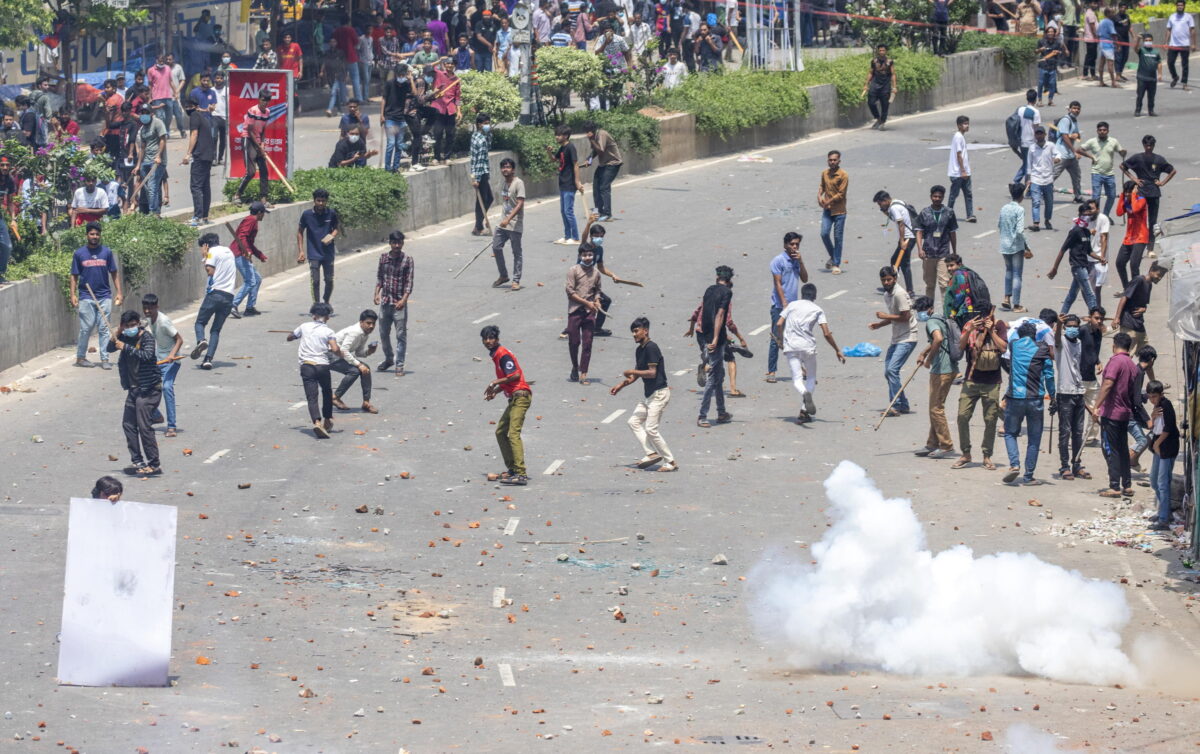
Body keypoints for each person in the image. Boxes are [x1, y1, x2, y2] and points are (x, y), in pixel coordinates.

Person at [611, 317, 678, 471]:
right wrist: (621, 385)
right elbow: (637, 374)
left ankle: (671, 462)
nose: (634, 334)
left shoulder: (651, 348)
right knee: (633, 421)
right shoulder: (640, 350)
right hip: (649, 396)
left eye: (636, 331)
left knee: (651, 429)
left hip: (659, 394)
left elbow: (652, 373)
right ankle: (651, 453)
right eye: (633, 332)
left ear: (645, 331)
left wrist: (631, 371)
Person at [775, 283, 845, 423]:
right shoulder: (817, 309)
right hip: (808, 347)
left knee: (797, 378)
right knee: (811, 378)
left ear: (802, 294)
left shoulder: (792, 305)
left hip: (791, 347)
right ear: (815, 296)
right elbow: (826, 333)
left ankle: (804, 397)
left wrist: (781, 340)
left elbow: (778, 324)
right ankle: (804, 408)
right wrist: (837, 349)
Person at [107, 310, 162, 476]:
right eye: (127, 326)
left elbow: (147, 355)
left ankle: (154, 464)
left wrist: (126, 347)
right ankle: (137, 460)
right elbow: (110, 348)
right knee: (128, 425)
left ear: (138, 323)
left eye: (133, 325)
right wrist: (117, 332)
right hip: (133, 389)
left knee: (144, 426)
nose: (131, 328)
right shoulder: (125, 336)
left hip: (148, 389)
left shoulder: (146, 338)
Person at [1001, 320, 1056, 485]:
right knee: (1034, 438)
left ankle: (1014, 464)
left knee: (1010, 433)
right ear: (1034, 335)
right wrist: (1053, 396)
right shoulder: (1042, 348)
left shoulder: (1014, 345)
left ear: (1020, 335)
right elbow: (1049, 375)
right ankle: (1028, 476)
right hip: (1035, 399)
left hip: (1014, 398)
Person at [953, 306, 1007, 470]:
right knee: (962, 416)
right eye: (980, 317)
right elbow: (960, 348)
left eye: (986, 316)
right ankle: (966, 453)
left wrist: (991, 332)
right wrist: (969, 331)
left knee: (990, 420)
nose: (983, 320)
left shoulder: (999, 325)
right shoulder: (970, 325)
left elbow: (1003, 348)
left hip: (992, 382)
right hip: (971, 380)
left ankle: (987, 455)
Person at [482, 325, 532, 486]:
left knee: (513, 433)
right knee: (500, 432)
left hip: (521, 396)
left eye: (491, 338)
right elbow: (508, 380)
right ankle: (512, 469)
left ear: (497, 339)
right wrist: (495, 391)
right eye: (485, 338)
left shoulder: (502, 354)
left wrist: (495, 382)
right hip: (514, 398)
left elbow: (515, 375)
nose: (488, 341)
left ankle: (521, 473)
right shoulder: (497, 355)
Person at [69, 222, 124, 369]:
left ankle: (105, 359)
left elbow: (114, 273)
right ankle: (80, 358)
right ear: (87, 235)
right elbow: (74, 275)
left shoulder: (106, 252)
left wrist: (119, 292)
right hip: (86, 296)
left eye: (97, 234)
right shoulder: (79, 253)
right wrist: (72, 294)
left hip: (104, 295)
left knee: (104, 328)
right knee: (86, 328)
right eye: (92, 234)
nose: (95, 236)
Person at [1090, 331, 1138, 497]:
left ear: (1114, 345)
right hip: (1125, 412)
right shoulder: (1131, 364)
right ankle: (1127, 485)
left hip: (1112, 412)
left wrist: (1097, 406)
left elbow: (1108, 384)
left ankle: (1114, 486)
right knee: (1123, 448)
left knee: (1111, 449)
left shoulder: (1115, 361)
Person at [288, 302, 342, 439]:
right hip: (322, 366)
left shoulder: (304, 326)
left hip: (307, 366)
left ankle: (317, 422)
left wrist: (292, 335)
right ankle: (328, 419)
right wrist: (339, 353)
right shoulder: (329, 332)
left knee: (312, 396)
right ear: (327, 317)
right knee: (327, 392)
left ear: (313, 315)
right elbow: (335, 349)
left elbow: (290, 337)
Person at [869, 266, 918, 416]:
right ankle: (903, 404)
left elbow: (905, 316)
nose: (886, 282)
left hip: (908, 337)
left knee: (892, 370)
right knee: (888, 372)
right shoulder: (887, 295)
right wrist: (880, 324)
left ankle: (895, 405)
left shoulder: (900, 294)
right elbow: (895, 317)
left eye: (889, 279)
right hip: (897, 338)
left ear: (895, 278)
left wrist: (885, 317)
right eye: (883, 280)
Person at [914, 294, 958, 458]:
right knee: (935, 407)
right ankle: (932, 443)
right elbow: (936, 340)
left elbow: (938, 339)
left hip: (942, 369)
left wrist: (929, 359)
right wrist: (923, 353)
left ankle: (946, 445)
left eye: (921, 311)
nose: (920, 314)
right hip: (949, 368)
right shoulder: (940, 319)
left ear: (929, 309)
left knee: (936, 408)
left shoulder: (932, 321)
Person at [764, 232, 810, 384]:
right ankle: (771, 371)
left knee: (796, 337)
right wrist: (784, 302)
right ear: (785, 244)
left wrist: (801, 261)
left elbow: (805, 279)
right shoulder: (778, 261)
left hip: (794, 306)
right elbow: (777, 283)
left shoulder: (796, 260)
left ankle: (800, 368)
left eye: (797, 244)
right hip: (779, 306)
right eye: (792, 244)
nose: (794, 247)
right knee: (776, 338)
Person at [1119, 134, 1176, 256]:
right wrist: (1134, 179)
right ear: (1143, 145)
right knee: (1139, 219)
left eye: (1151, 145)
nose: (1149, 147)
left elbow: (1172, 170)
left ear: (1154, 145)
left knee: (1153, 221)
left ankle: (1150, 248)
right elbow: (1122, 166)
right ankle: (1138, 243)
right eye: (1146, 145)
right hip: (1141, 193)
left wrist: (1162, 182)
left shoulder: (1159, 159)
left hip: (1154, 193)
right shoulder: (1137, 158)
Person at [1053, 313, 1092, 479]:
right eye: (1070, 326)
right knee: (1065, 431)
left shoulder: (1079, 343)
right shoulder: (1061, 342)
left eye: (1076, 326)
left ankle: (1076, 463)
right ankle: (1064, 466)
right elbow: (1055, 339)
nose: (1073, 329)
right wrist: (1059, 325)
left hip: (1078, 391)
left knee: (1078, 431)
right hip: (1065, 393)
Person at [190, 233, 236, 370]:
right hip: (229, 297)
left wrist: (204, 257)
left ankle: (201, 340)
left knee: (200, 322)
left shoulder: (211, 253)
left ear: (206, 245)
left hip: (215, 294)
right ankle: (208, 360)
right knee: (215, 330)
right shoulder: (228, 251)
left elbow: (210, 271)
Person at [372, 230, 415, 376]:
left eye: (399, 243)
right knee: (383, 334)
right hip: (385, 303)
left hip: (399, 305)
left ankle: (400, 364)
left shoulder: (407, 260)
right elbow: (380, 278)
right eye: (394, 243)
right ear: (390, 243)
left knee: (400, 336)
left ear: (402, 243)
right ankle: (389, 358)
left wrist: (403, 300)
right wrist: (376, 293)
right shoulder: (384, 258)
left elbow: (409, 283)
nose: (397, 245)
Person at [698, 265, 735, 428]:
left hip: (704, 334)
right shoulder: (727, 292)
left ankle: (721, 412)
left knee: (719, 375)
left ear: (717, 277)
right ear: (729, 280)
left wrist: (706, 338)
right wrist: (715, 338)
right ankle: (702, 415)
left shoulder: (709, 290)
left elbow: (704, 312)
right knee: (713, 377)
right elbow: (720, 315)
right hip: (716, 338)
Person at [141, 293, 183, 437]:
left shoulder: (164, 321)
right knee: (146, 387)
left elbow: (179, 340)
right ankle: (156, 415)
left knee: (166, 387)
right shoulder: (148, 319)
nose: (147, 311)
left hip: (172, 361)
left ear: (157, 307)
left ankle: (171, 427)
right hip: (159, 360)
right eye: (145, 308)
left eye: (150, 308)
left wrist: (172, 355)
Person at [1048, 204, 1101, 314]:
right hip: (1077, 267)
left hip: (1084, 266)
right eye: (1084, 214)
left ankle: (1061, 318)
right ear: (1080, 215)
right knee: (1090, 294)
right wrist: (1055, 268)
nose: (1087, 217)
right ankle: (1096, 319)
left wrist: (1100, 258)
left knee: (1071, 296)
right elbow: (1063, 250)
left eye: (1089, 215)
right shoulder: (1075, 231)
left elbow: (1089, 251)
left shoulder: (1086, 232)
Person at [1112, 262, 1167, 365]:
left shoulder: (1149, 285)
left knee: (1147, 356)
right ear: (1151, 271)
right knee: (1127, 355)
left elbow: (1143, 305)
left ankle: (1153, 381)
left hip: (1139, 325)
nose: (1159, 278)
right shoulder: (1139, 280)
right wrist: (1117, 318)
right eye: (1158, 275)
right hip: (1129, 323)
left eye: (1162, 277)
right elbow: (1124, 297)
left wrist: (1144, 309)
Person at [565, 242, 602, 384]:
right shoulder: (573, 271)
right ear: (580, 255)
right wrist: (587, 302)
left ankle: (584, 374)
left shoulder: (596, 273)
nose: (587, 257)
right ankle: (575, 366)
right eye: (585, 255)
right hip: (575, 311)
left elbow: (597, 290)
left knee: (588, 343)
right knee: (574, 342)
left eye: (590, 255)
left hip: (589, 313)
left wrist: (597, 300)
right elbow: (570, 292)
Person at [914, 184, 959, 301]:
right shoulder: (924, 212)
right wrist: (920, 249)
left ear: (943, 197)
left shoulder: (949, 212)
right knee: (929, 284)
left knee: (944, 283)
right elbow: (919, 232)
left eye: (940, 197)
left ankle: (946, 311)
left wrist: (954, 252)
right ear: (931, 197)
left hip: (943, 253)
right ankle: (929, 309)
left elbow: (953, 233)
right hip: (928, 253)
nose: (937, 199)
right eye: (935, 196)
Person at [330, 309, 380, 414]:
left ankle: (366, 402)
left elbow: (359, 353)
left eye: (373, 324)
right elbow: (344, 350)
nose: (371, 326)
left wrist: (369, 351)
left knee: (366, 368)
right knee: (355, 371)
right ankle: (335, 397)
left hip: (340, 355)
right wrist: (358, 364)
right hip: (330, 355)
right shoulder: (355, 332)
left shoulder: (365, 333)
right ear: (361, 322)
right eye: (368, 323)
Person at [297, 188, 340, 305]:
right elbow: (300, 231)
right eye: (318, 200)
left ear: (326, 201)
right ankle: (316, 304)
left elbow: (336, 228)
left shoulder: (331, 213)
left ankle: (326, 302)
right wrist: (301, 251)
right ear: (314, 200)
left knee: (329, 280)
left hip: (328, 254)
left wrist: (331, 236)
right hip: (313, 253)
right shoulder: (306, 215)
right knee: (315, 281)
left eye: (323, 201)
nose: (321, 203)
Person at [1146, 380, 1179, 530]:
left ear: (1161, 395)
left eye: (1155, 396)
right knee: (1154, 480)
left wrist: (1157, 444)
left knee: (1163, 482)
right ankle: (1164, 511)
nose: (1153, 399)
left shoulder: (1166, 406)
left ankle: (1164, 519)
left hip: (1166, 446)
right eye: (1150, 397)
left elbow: (1169, 428)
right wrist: (1152, 416)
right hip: (1159, 446)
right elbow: (1152, 426)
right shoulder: (1157, 407)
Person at [1075, 121, 1124, 217]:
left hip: (1110, 173)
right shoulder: (1092, 141)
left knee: (1112, 196)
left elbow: (1121, 153)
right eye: (1100, 130)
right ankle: (1095, 216)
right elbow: (1079, 149)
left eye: (1104, 130)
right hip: (1096, 173)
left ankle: (1105, 215)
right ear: (1097, 131)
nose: (1102, 132)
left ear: (1108, 131)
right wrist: (1090, 156)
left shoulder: (1113, 141)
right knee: (1096, 197)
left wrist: (1123, 152)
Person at [230, 201, 269, 318]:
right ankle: (233, 304)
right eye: (263, 213)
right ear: (259, 212)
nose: (264, 216)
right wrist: (246, 251)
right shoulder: (251, 220)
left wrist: (259, 255)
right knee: (250, 281)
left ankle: (250, 307)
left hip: (242, 252)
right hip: (239, 253)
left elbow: (249, 242)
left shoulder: (252, 220)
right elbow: (242, 236)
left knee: (256, 279)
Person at [181, 96, 216, 226]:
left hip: (200, 156)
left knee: (195, 186)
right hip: (208, 156)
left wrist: (188, 154)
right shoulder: (204, 118)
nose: (187, 109)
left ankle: (197, 216)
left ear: (196, 107)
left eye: (190, 106)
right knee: (205, 186)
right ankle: (205, 216)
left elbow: (194, 134)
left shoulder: (195, 116)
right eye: (186, 107)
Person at [874, 191, 916, 297]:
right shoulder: (897, 202)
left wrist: (902, 241)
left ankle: (909, 290)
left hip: (907, 238)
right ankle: (893, 283)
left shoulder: (894, 208)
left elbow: (901, 224)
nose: (880, 206)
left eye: (880, 204)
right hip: (909, 236)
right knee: (895, 261)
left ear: (886, 200)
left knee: (904, 263)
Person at [492, 158, 525, 291]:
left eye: (508, 167)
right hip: (502, 224)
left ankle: (516, 280)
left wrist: (508, 219)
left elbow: (520, 203)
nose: (505, 169)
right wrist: (503, 220)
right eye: (503, 167)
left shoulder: (519, 183)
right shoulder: (504, 183)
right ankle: (503, 275)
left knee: (516, 252)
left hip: (515, 225)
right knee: (496, 247)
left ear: (513, 169)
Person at [998, 183, 1032, 313]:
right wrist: (1027, 246)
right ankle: (1016, 305)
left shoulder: (1004, 208)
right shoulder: (1020, 210)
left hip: (1004, 244)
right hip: (1016, 245)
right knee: (1017, 274)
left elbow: (999, 224)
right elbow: (1020, 230)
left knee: (1008, 271)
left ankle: (1007, 297)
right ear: (1021, 195)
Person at [235, 91, 273, 205]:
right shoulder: (253, 110)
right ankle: (237, 195)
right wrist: (258, 146)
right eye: (263, 100)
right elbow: (250, 130)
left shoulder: (267, 112)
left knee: (264, 170)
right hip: (248, 140)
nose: (264, 103)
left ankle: (263, 199)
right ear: (259, 99)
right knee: (251, 172)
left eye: (267, 100)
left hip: (258, 142)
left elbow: (263, 130)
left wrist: (262, 144)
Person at [548, 124, 582, 244]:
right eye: (556, 135)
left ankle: (576, 237)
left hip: (569, 183)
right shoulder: (562, 148)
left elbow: (575, 164)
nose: (556, 137)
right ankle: (567, 236)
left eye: (559, 135)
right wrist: (549, 152)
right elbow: (554, 159)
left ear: (566, 136)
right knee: (563, 211)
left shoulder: (570, 147)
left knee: (568, 211)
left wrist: (577, 182)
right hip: (562, 182)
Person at [582, 122, 623, 222]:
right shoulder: (594, 137)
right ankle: (598, 211)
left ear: (593, 131)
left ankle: (608, 214)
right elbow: (595, 151)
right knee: (596, 187)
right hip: (603, 164)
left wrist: (591, 139)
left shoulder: (601, 134)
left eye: (588, 132)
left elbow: (600, 150)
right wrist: (589, 159)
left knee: (604, 187)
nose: (587, 134)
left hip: (613, 163)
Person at [132, 103, 167, 215]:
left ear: (151, 113)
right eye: (142, 113)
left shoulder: (158, 123)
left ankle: (153, 212)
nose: (144, 115)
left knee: (152, 186)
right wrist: (138, 165)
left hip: (156, 161)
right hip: (145, 160)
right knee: (147, 188)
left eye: (146, 113)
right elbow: (142, 147)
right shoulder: (142, 129)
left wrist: (158, 156)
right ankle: (155, 210)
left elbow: (162, 140)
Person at [1025, 125, 1060, 232]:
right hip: (1036, 179)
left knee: (1049, 202)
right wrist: (1028, 178)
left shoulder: (1050, 146)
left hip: (1048, 179)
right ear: (1035, 135)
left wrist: (1057, 159)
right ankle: (1036, 223)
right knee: (1035, 201)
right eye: (1037, 133)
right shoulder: (1032, 148)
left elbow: (1058, 154)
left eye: (1041, 133)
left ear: (1044, 134)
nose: (1039, 135)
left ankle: (1047, 220)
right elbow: (1029, 164)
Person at [818, 150, 848, 274]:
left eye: (835, 160)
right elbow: (822, 186)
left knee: (837, 237)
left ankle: (836, 264)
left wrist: (828, 201)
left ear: (839, 161)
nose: (832, 162)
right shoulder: (824, 173)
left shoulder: (843, 175)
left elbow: (841, 194)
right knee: (824, 233)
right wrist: (819, 196)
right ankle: (833, 256)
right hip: (827, 210)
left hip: (839, 211)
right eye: (830, 160)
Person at [1114, 181, 1148, 291]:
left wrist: (1133, 194)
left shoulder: (1141, 200)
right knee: (1119, 263)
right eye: (1126, 192)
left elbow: (1136, 209)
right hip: (1129, 238)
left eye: (1129, 191)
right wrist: (1123, 197)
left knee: (1134, 265)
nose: (1128, 194)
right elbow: (1119, 212)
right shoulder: (1127, 200)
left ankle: (1136, 289)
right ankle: (1127, 288)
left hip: (1140, 237)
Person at [381, 64, 413, 173]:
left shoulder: (406, 84)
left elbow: (414, 93)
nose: (401, 77)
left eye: (403, 75)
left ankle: (395, 167)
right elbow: (384, 99)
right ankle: (387, 168)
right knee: (391, 144)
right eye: (399, 75)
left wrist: (411, 79)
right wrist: (382, 115)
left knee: (399, 145)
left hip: (401, 119)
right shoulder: (389, 84)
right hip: (390, 118)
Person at [943, 254, 989, 327]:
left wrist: (953, 311)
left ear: (959, 264)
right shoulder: (968, 272)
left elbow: (961, 294)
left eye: (951, 265)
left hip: (962, 313)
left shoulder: (959, 274)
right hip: (970, 310)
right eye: (947, 266)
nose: (949, 268)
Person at [430, 59, 461, 165]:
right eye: (448, 63)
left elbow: (458, 97)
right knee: (437, 134)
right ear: (444, 64)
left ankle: (447, 157)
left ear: (454, 66)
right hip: (438, 107)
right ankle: (436, 157)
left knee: (450, 134)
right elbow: (428, 66)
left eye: (452, 63)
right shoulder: (438, 74)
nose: (449, 65)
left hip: (450, 109)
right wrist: (439, 60)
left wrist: (459, 111)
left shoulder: (456, 79)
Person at [1053, 101, 1084, 202]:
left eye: (1078, 108)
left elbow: (1076, 135)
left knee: (1077, 176)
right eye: (1074, 108)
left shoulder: (1074, 120)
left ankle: (1078, 196)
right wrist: (1074, 150)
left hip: (1070, 155)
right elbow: (1065, 136)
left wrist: (1075, 136)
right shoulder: (1066, 120)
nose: (1076, 110)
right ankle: (1039, 192)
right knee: (1054, 175)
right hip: (1062, 154)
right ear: (1070, 109)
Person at [947, 115, 976, 223]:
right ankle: (948, 214)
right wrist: (963, 170)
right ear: (959, 125)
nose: (967, 126)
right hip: (958, 173)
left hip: (964, 172)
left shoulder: (961, 136)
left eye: (968, 124)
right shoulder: (958, 137)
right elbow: (959, 155)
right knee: (953, 195)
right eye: (964, 124)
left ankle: (970, 215)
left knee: (968, 194)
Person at [469, 113, 494, 235]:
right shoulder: (480, 139)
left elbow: (488, 147)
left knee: (487, 199)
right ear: (479, 124)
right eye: (485, 124)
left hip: (481, 171)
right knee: (484, 200)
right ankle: (478, 226)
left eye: (488, 123)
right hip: (481, 172)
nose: (487, 126)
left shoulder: (477, 135)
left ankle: (478, 224)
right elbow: (478, 159)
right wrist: (477, 178)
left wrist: (489, 133)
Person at [863, 44, 896, 130]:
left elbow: (893, 74)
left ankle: (883, 122)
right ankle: (878, 118)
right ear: (878, 51)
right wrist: (866, 84)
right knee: (871, 103)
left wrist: (894, 87)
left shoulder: (890, 62)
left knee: (885, 105)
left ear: (886, 51)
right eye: (880, 50)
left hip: (885, 86)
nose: (881, 52)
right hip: (874, 85)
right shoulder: (874, 61)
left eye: (883, 50)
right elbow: (871, 73)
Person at [1012, 89, 1041, 184]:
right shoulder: (1035, 112)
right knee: (1029, 165)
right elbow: (1036, 128)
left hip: (1021, 141)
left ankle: (1020, 182)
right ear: (1035, 99)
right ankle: (1019, 182)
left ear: (1027, 98)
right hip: (1030, 142)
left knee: (1027, 163)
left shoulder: (1020, 109)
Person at [1166, 0, 1195, 90]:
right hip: (1173, 44)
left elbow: (1193, 30)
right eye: (1178, 5)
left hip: (1185, 44)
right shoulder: (1172, 17)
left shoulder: (1188, 17)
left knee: (1185, 64)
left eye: (1181, 5)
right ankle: (1175, 77)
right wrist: (1165, 42)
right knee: (1170, 62)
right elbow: (1168, 30)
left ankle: (1184, 83)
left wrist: (1193, 44)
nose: (1180, 7)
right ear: (1176, 6)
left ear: (1184, 6)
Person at [1036, 25, 1067, 106]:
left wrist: (1058, 52)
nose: (1050, 33)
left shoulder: (1057, 43)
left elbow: (1061, 52)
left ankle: (1050, 100)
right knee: (1041, 83)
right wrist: (1040, 49)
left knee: (1052, 84)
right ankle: (1039, 100)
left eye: (1052, 32)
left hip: (1052, 66)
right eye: (1049, 32)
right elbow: (1035, 51)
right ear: (1046, 33)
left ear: (1054, 33)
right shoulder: (1041, 41)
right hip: (1043, 66)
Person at [1134, 33, 1163, 117]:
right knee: (1140, 95)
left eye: (1150, 40)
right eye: (1146, 40)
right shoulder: (1142, 50)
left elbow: (1159, 63)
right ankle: (1137, 110)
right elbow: (1135, 48)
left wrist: (1160, 74)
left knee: (1151, 96)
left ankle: (1151, 110)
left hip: (1152, 79)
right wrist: (1138, 39)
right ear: (1144, 42)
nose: (1148, 42)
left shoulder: (1156, 52)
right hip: (1142, 78)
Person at [323, 44, 351, 117]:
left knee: (333, 93)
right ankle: (339, 110)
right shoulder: (328, 53)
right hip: (330, 76)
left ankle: (329, 109)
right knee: (336, 93)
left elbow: (344, 64)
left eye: (334, 41)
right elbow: (325, 63)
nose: (333, 43)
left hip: (339, 76)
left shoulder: (340, 53)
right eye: (331, 42)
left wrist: (346, 74)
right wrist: (322, 71)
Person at [1096, 7, 1120, 88]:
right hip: (1108, 45)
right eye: (1112, 13)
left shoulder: (1101, 22)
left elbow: (1098, 34)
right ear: (1108, 14)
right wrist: (1117, 44)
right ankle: (1113, 82)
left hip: (1101, 44)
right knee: (1110, 64)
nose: (1113, 14)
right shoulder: (1109, 22)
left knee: (1101, 63)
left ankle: (1101, 81)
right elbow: (1113, 34)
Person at [212, 71, 229, 165]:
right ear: (214, 79)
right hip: (214, 116)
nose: (219, 80)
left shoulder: (227, 90)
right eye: (217, 78)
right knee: (214, 137)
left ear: (224, 79)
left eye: (221, 78)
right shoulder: (211, 91)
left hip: (225, 117)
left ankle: (220, 157)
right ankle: (213, 157)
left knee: (223, 139)